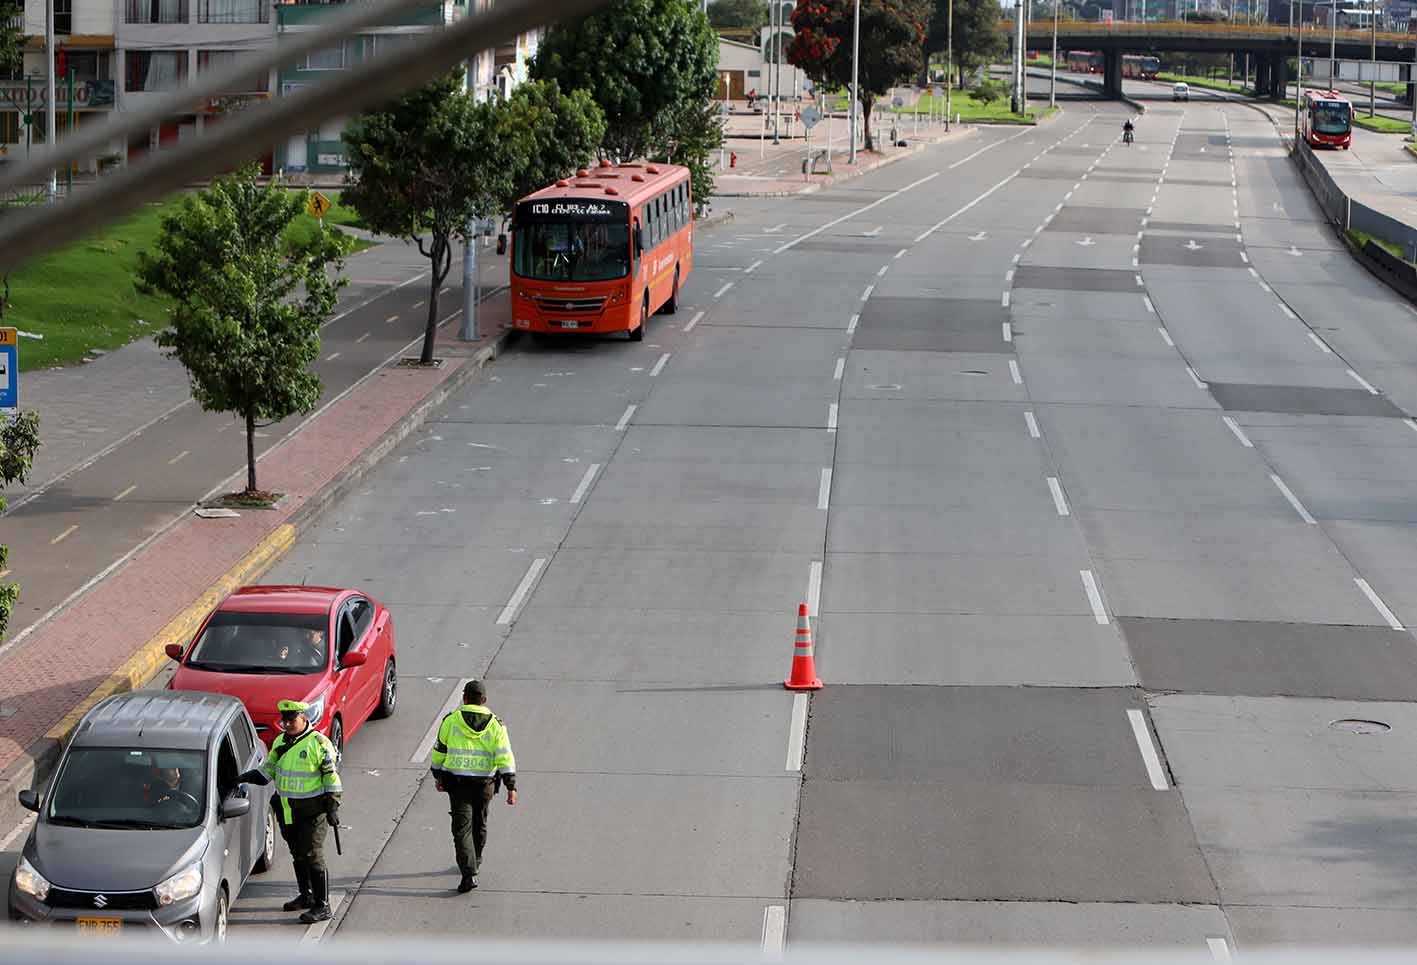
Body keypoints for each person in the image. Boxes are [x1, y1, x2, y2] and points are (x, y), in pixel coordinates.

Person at [238, 699, 342, 923]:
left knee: (313, 856)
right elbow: (268, 771)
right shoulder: (280, 742)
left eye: (291, 719)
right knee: (298, 855)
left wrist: (333, 806)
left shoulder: (320, 744)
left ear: (304, 718)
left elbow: (331, 778)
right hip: (287, 811)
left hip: (313, 813)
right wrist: (245, 777)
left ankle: (322, 906)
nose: (286, 724)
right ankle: (306, 896)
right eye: (284, 720)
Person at [429, 680, 517, 894]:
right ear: (484, 700)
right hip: (485, 785)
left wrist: (438, 775)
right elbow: (504, 756)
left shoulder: (451, 720)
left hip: (458, 785)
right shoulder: (497, 725)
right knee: (480, 824)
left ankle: (469, 873)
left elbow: (440, 750)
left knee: (461, 829)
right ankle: (474, 861)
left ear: (465, 698)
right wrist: (510, 786)